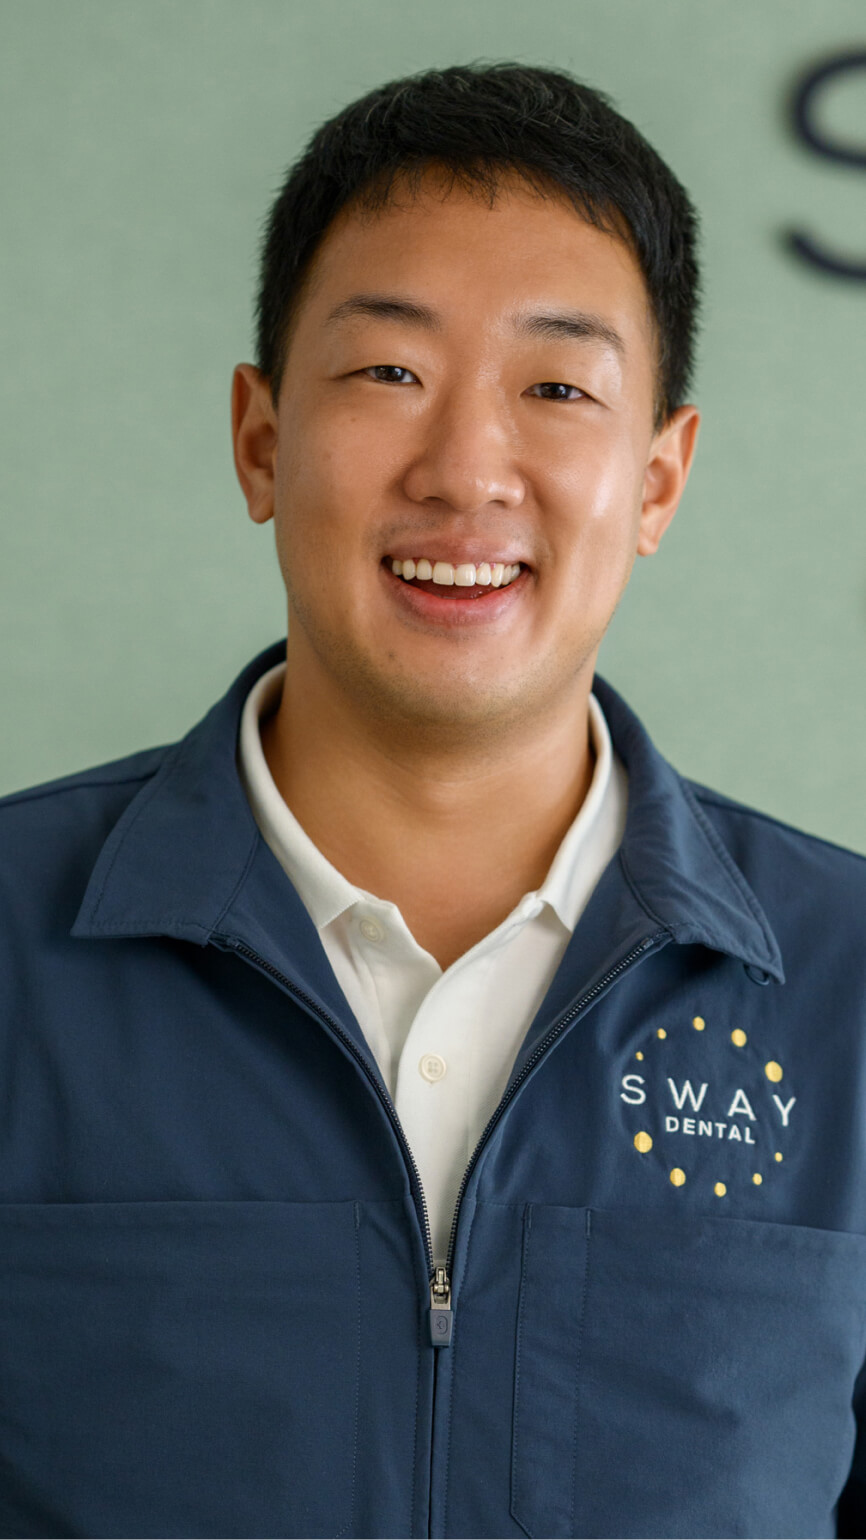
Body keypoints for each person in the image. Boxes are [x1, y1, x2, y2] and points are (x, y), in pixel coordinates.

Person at [0, 60, 864, 1540]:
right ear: (261, 439)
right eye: (389, 372)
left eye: (555, 389)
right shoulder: (16, 944)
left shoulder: (844, 982)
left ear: (657, 481)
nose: (468, 469)